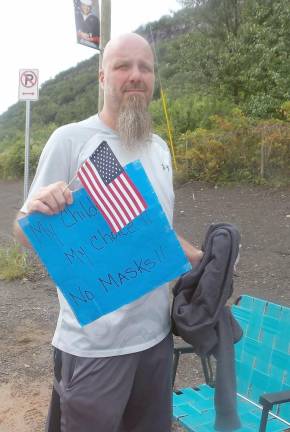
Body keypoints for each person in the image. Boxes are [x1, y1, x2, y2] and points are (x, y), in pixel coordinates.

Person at [13, 33, 203, 432]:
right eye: (122, 66)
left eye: (145, 68)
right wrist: (39, 208)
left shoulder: (159, 149)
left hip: (155, 339)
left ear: (153, 78)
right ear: (102, 77)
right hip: (94, 346)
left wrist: (200, 258)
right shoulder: (72, 139)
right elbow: (23, 228)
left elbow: (153, 231)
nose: (135, 76)